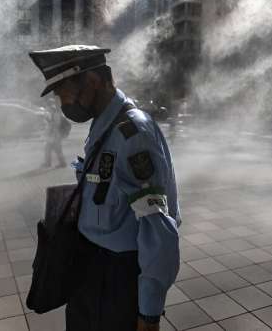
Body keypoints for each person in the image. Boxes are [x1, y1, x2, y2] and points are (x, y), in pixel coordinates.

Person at [29, 45, 180, 331]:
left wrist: (148, 314)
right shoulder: (104, 124)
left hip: (116, 281)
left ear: (93, 81)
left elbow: (159, 231)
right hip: (89, 271)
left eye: (64, 91)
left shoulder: (133, 134)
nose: (63, 103)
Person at [42, 97, 69, 168]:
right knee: (50, 149)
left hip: (55, 135)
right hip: (54, 135)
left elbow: (56, 124)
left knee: (55, 149)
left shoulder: (55, 113)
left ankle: (61, 163)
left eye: (48, 104)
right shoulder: (53, 112)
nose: (47, 106)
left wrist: (49, 121)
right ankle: (49, 163)